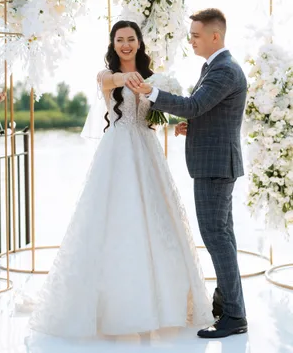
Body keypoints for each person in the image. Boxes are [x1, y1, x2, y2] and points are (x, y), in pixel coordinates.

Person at [29, 20, 212, 339]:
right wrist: (124, 77)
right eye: (119, 40)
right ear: (113, 45)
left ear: (140, 43)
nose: (125, 44)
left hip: (147, 150)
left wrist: (178, 125)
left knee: (158, 221)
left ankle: (162, 305)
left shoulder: (157, 79)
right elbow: (110, 79)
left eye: (131, 39)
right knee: (114, 221)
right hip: (116, 151)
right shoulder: (106, 76)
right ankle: (114, 308)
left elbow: (159, 116)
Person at [131, 9, 248, 339]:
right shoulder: (215, 67)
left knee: (216, 239)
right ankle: (227, 303)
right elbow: (207, 112)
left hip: (215, 168)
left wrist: (150, 93)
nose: (191, 40)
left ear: (215, 36)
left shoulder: (224, 69)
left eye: (196, 35)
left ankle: (235, 315)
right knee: (222, 237)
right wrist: (191, 127)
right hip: (216, 164)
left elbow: (195, 104)